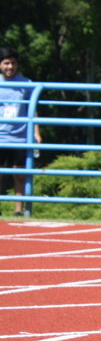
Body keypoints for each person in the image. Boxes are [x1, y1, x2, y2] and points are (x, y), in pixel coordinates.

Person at [0, 47, 42, 217]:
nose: (10, 67)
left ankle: (19, 210)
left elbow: (34, 110)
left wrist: (37, 133)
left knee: (19, 173)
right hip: (1, 136)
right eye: (6, 63)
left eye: (13, 63)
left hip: (20, 136)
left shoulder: (26, 84)